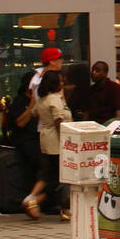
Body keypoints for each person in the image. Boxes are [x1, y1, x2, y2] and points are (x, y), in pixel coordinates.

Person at [23, 69, 72, 220]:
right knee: (64, 177)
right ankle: (43, 202)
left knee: (46, 174)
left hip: (45, 140)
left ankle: (31, 198)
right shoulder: (54, 99)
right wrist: (66, 142)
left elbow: (34, 114)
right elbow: (58, 120)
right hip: (57, 142)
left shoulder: (42, 100)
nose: (62, 83)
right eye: (60, 81)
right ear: (55, 84)